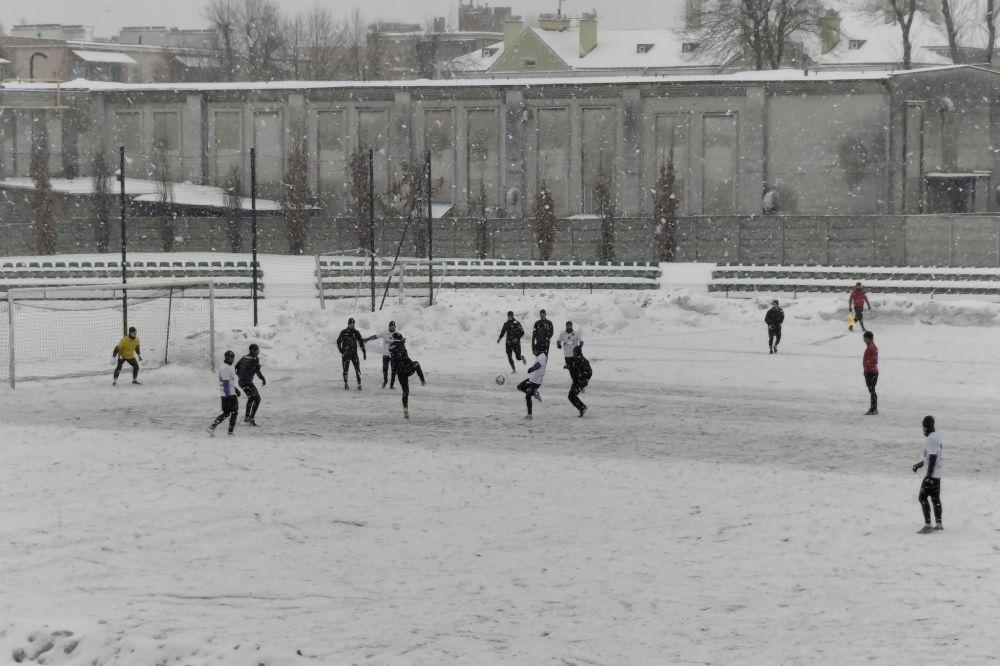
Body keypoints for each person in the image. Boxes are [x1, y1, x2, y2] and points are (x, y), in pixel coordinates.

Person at [912, 415, 943, 533]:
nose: (923, 430)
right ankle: (939, 524)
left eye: (924, 427)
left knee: (922, 497)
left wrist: (928, 476)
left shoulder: (931, 439)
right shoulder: (937, 436)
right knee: (935, 498)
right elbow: (929, 457)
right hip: (937, 475)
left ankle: (928, 525)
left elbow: (933, 458)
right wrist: (919, 465)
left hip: (932, 475)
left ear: (928, 427)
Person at [388, 332, 425, 419]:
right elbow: (407, 359)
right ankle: (422, 381)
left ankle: (405, 409)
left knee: (405, 392)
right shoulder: (401, 346)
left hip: (400, 373)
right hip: (406, 369)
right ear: (400, 338)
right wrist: (410, 364)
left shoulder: (391, 348)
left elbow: (393, 365)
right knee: (416, 364)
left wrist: (393, 380)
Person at [209, 350, 241, 436]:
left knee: (234, 412)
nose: (231, 359)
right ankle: (212, 427)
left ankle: (230, 431)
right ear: (226, 358)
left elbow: (230, 381)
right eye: (229, 358)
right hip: (227, 394)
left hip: (231, 393)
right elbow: (226, 383)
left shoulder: (229, 367)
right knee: (227, 413)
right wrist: (231, 393)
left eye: (232, 358)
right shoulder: (225, 368)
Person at [235, 343, 266, 426]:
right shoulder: (255, 358)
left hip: (241, 382)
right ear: (252, 351)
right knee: (257, 399)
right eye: (257, 350)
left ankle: (247, 418)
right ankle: (250, 418)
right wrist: (263, 379)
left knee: (251, 397)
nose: (258, 351)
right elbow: (257, 371)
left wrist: (240, 375)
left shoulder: (244, 357)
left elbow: (236, 367)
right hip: (248, 383)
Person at [365, 320, 399, 388]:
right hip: (386, 354)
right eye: (391, 326)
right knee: (385, 369)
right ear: (389, 327)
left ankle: (392, 385)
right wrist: (367, 339)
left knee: (394, 370)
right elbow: (375, 336)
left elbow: (400, 344)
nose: (393, 327)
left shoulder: (397, 334)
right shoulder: (384, 332)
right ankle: (385, 381)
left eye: (394, 326)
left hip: (394, 355)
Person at [337, 318, 367, 391]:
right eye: (351, 323)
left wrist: (364, 351)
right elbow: (338, 341)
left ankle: (359, 384)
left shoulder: (356, 332)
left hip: (354, 354)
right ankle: (346, 384)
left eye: (353, 323)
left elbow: (361, 342)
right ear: (348, 324)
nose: (352, 324)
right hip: (346, 354)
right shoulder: (343, 332)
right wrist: (340, 349)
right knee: (345, 370)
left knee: (357, 369)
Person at [517, 350, 547, 419]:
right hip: (532, 379)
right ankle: (533, 392)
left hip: (536, 381)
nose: (533, 353)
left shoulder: (542, 356)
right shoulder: (540, 356)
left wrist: (532, 368)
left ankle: (530, 415)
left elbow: (538, 365)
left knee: (527, 395)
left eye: (534, 351)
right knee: (520, 387)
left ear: (538, 350)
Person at [567, 352, 591, 417]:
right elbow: (574, 369)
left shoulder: (583, 361)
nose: (573, 353)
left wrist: (582, 379)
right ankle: (582, 408)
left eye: (574, 352)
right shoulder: (577, 359)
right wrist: (568, 367)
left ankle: (582, 407)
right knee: (571, 396)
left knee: (572, 395)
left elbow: (589, 373)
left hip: (579, 382)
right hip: (576, 381)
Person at [863, 330, 878, 415]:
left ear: (868, 339)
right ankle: (874, 408)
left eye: (864, 337)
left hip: (871, 372)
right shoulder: (871, 346)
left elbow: (872, 360)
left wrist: (867, 367)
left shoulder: (871, 347)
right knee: (872, 390)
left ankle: (873, 409)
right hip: (871, 371)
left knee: (872, 390)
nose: (863, 339)